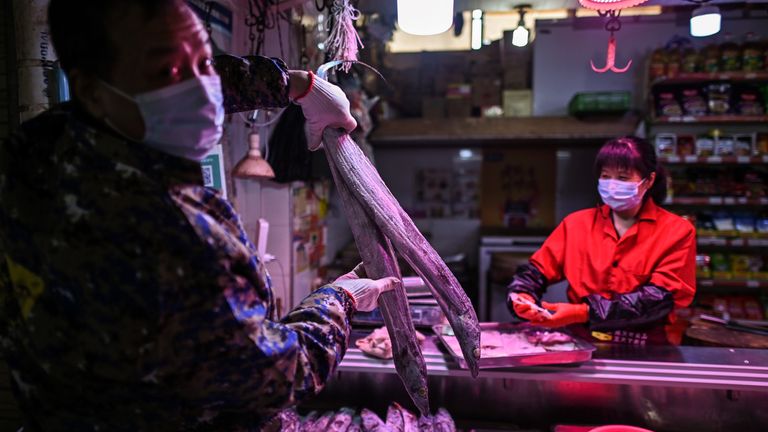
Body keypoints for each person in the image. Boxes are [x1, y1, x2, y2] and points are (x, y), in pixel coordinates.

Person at [0, 0, 396, 430]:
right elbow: (278, 374)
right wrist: (341, 299)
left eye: (203, 62)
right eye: (168, 71)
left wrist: (296, 84)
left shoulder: (36, 150)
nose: (199, 87)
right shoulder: (174, 234)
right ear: (93, 88)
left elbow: (185, 79)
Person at [507, 136, 696, 345]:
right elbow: (536, 271)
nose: (612, 185)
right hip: (581, 341)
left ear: (649, 181)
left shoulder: (677, 231)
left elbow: (657, 300)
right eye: (606, 176)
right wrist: (521, 295)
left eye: (623, 178)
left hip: (645, 345)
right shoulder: (576, 224)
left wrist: (584, 312)